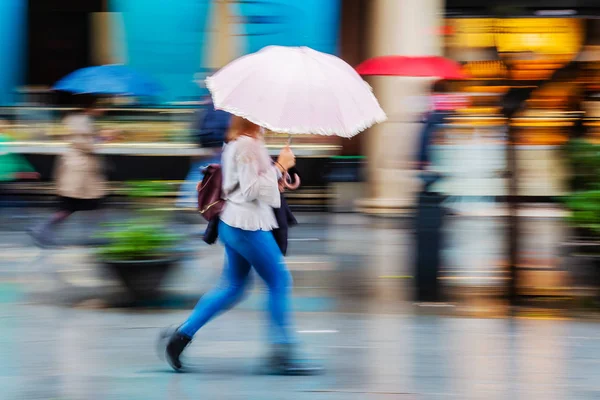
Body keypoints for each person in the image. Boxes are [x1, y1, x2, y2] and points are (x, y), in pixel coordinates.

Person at [160, 116, 320, 375]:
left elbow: (252, 184)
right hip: (246, 225)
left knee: (233, 286)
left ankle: (180, 337)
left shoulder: (244, 141)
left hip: (236, 224)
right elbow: (249, 189)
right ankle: (282, 353)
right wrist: (280, 166)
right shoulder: (246, 144)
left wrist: (280, 174)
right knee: (279, 281)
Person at [28, 100, 107, 247]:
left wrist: (99, 137)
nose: (104, 109)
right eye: (101, 106)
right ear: (91, 107)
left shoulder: (82, 120)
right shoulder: (82, 122)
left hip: (81, 169)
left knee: (87, 204)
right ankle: (41, 229)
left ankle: (98, 235)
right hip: (79, 170)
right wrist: (103, 138)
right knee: (70, 206)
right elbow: (87, 145)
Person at [176, 99, 231, 210]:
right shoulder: (226, 108)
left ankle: (190, 204)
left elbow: (197, 130)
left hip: (208, 152)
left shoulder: (208, 106)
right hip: (218, 152)